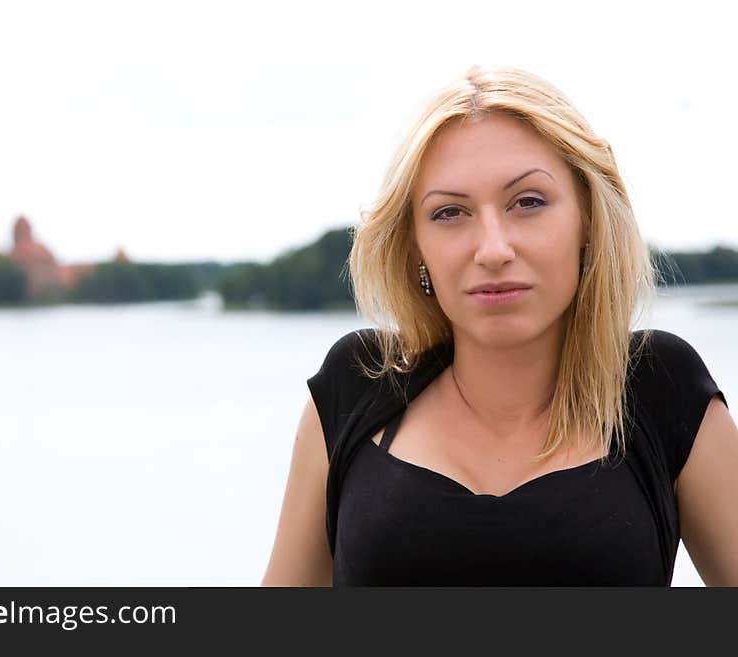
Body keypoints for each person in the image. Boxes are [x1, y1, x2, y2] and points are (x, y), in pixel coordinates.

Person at [261, 64, 738, 586]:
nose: (492, 249)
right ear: (415, 243)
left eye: (528, 202)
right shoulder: (356, 387)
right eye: (449, 213)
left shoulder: (660, 390)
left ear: (587, 220)